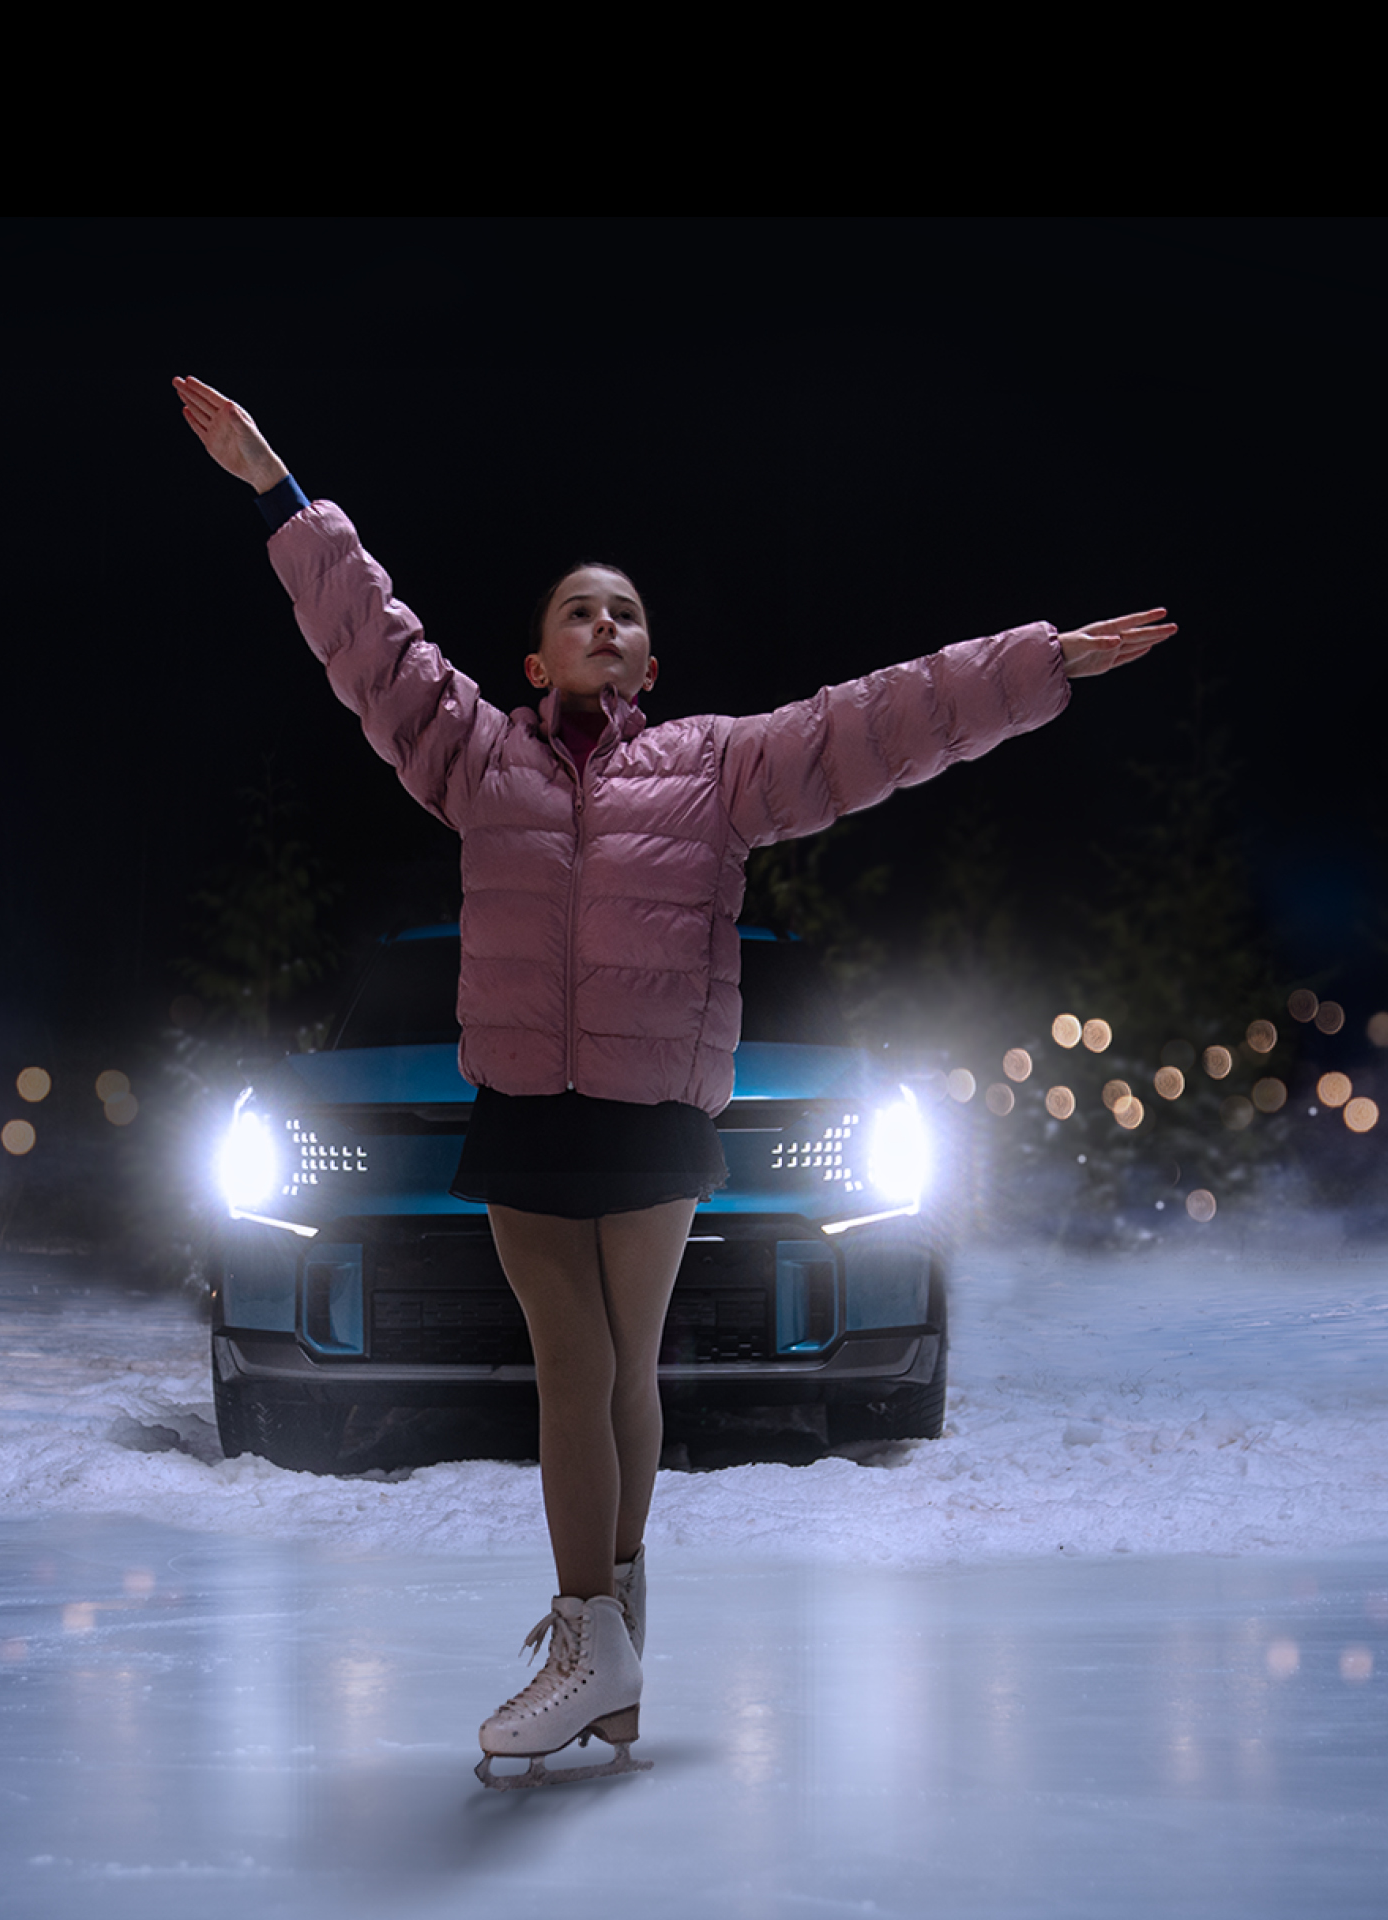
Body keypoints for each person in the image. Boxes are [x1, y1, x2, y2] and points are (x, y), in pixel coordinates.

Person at [173, 374, 1174, 1788]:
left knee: (602, 1366)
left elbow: (878, 722)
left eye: (625, 614)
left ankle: (594, 1642)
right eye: (579, 610)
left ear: (651, 662)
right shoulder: (471, 757)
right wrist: (277, 486)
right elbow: (369, 645)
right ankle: (613, 1641)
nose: (604, 625)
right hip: (526, 1105)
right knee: (582, 1365)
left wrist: (1043, 663)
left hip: (650, 1110)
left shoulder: (718, 772)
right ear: (535, 661)